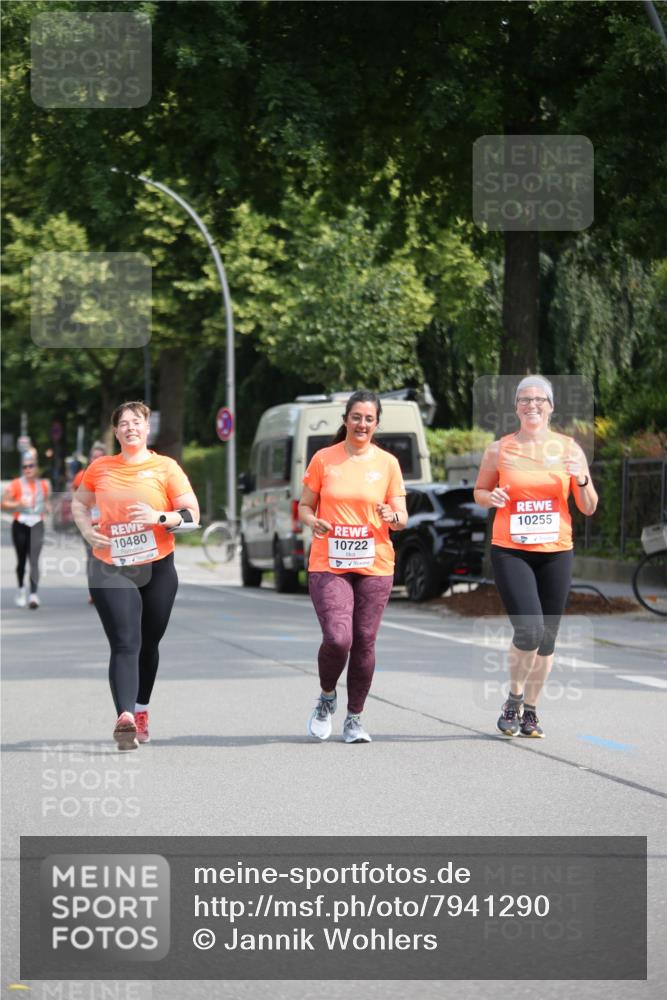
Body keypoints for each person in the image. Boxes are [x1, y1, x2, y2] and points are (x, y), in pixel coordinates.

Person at [474, 375, 598, 738]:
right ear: (516, 407)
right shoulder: (499, 449)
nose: (532, 405)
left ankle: (530, 711)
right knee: (529, 630)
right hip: (512, 550)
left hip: (556, 551)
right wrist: (490, 498)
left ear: (551, 406)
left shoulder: (570, 449)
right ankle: (513, 699)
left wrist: (581, 480)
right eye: (525, 400)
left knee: (548, 638)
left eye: (539, 399)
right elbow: (480, 490)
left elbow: (588, 508)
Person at [71, 402, 200, 750]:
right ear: (115, 432)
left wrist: (159, 517)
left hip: (157, 565)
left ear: (146, 429)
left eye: (136, 422)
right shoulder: (100, 468)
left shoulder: (166, 467)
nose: (130, 428)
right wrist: (87, 531)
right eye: (123, 423)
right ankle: (124, 717)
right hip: (110, 564)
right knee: (126, 642)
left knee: (149, 643)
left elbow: (192, 513)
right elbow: (79, 505)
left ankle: (141, 708)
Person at [298, 390, 407, 744]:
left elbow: (402, 516)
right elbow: (304, 506)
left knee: (364, 641)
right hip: (329, 561)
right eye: (356, 417)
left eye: (369, 419)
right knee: (338, 637)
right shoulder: (323, 459)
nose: (362, 424)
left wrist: (393, 516)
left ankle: (355, 718)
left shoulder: (388, 463)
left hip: (375, 563)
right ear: (345, 419)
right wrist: (312, 521)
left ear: (376, 424)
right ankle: (327, 696)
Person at [2, 450, 52, 608]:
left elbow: (46, 502)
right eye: (24, 467)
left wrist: (48, 508)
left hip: (37, 524)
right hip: (21, 524)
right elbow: (3, 504)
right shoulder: (16, 484)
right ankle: (21, 589)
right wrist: (18, 505)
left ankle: (34, 594)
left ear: (36, 467)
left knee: (34, 560)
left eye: (30, 466)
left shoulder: (43, 484)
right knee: (22, 560)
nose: (27, 469)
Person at [72, 441, 107, 602]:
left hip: (108, 523)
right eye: (94, 456)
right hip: (89, 522)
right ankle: (94, 592)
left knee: (107, 558)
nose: (96, 459)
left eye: (100, 457)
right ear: (90, 458)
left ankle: (109, 590)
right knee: (92, 557)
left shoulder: (111, 474)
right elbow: (75, 498)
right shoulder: (81, 475)